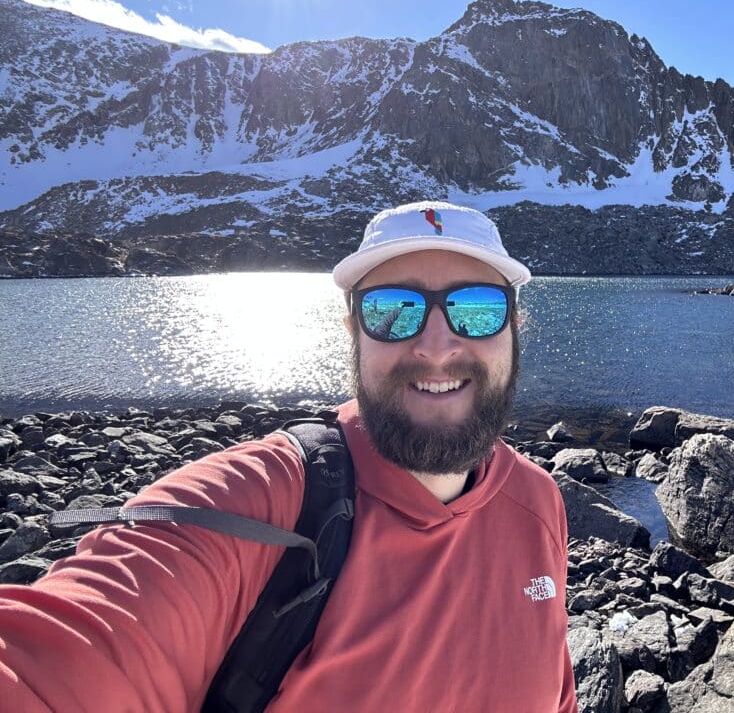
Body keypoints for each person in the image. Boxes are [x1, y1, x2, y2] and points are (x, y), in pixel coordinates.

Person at [0, 201, 578, 712]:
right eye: (391, 310)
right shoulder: (257, 508)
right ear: (354, 330)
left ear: (515, 326)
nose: (434, 346)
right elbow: (60, 662)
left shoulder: (537, 502)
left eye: (477, 308)